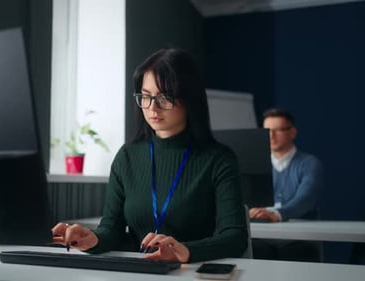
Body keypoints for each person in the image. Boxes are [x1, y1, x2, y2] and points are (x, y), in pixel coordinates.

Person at [52, 48, 248, 263]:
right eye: (145, 97)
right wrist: (92, 239)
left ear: (189, 99)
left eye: (164, 97)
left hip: (193, 273)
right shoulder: (127, 156)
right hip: (141, 271)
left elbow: (235, 238)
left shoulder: (218, 159)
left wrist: (186, 250)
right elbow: (111, 229)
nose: (152, 108)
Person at [249, 108, 324, 262]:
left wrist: (278, 214)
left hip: (299, 238)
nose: (271, 136)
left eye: (278, 130)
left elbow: (305, 199)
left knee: (293, 256)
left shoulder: (309, 164)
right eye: (267, 130)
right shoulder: (254, 164)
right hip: (263, 237)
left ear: (292, 132)